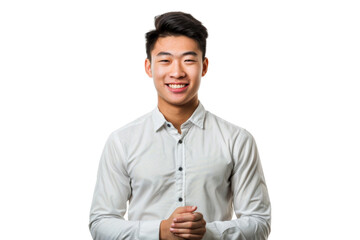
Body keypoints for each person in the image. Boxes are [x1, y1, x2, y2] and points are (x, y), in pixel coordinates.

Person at [89, 11, 271, 240]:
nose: (176, 72)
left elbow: (259, 222)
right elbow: (101, 224)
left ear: (204, 66)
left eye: (188, 60)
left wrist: (207, 232)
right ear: (149, 67)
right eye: (165, 60)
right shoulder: (122, 141)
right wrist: (159, 232)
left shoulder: (237, 140)